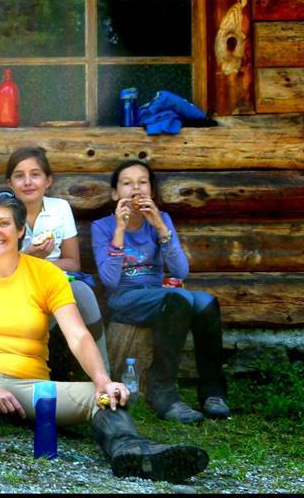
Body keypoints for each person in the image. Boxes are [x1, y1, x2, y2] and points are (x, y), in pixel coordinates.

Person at [0, 188, 210, 483]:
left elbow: (78, 336)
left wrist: (102, 379)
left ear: (21, 230)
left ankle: (131, 449)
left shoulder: (47, 274)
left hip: (32, 391)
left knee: (102, 397)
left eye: (3, 223)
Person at [92, 160, 229, 424]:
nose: (135, 188)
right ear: (114, 193)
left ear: (152, 191)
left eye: (142, 182)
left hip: (158, 296)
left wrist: (161, 228)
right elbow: (109, 281)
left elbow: (180, 271)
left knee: (206, 302)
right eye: (127, 183)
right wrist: (120, 229)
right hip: (124, 299)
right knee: (178, 298)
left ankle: (213, 391)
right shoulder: (102, 226)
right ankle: (162, 390)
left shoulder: (161, 220)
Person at [5, 146, 108, 377]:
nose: (28, 182)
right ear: (10, 183)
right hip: (16, 284)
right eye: (19, 176)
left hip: (56, 281)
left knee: (82, 292)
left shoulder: (60, 208)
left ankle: (102, 375)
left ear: (48, 180)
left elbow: (73, 263)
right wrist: (28, 257)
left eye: (35, 174)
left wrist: (40, 264)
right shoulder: (4, 213)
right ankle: (25, 376)